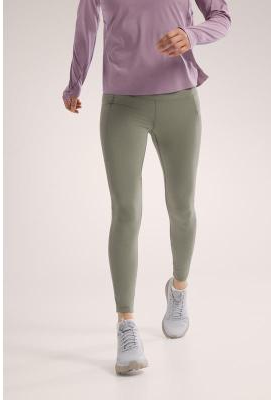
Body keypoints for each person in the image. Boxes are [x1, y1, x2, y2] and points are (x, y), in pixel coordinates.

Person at [63, 0, 231, 375]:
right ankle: (126, 325)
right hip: (122, 106)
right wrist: (75, 83)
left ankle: (178, 289)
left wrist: (191, 35)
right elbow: (85, 30)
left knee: (182, 207)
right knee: (126, 212)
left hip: (180, 102)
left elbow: (222, 17)